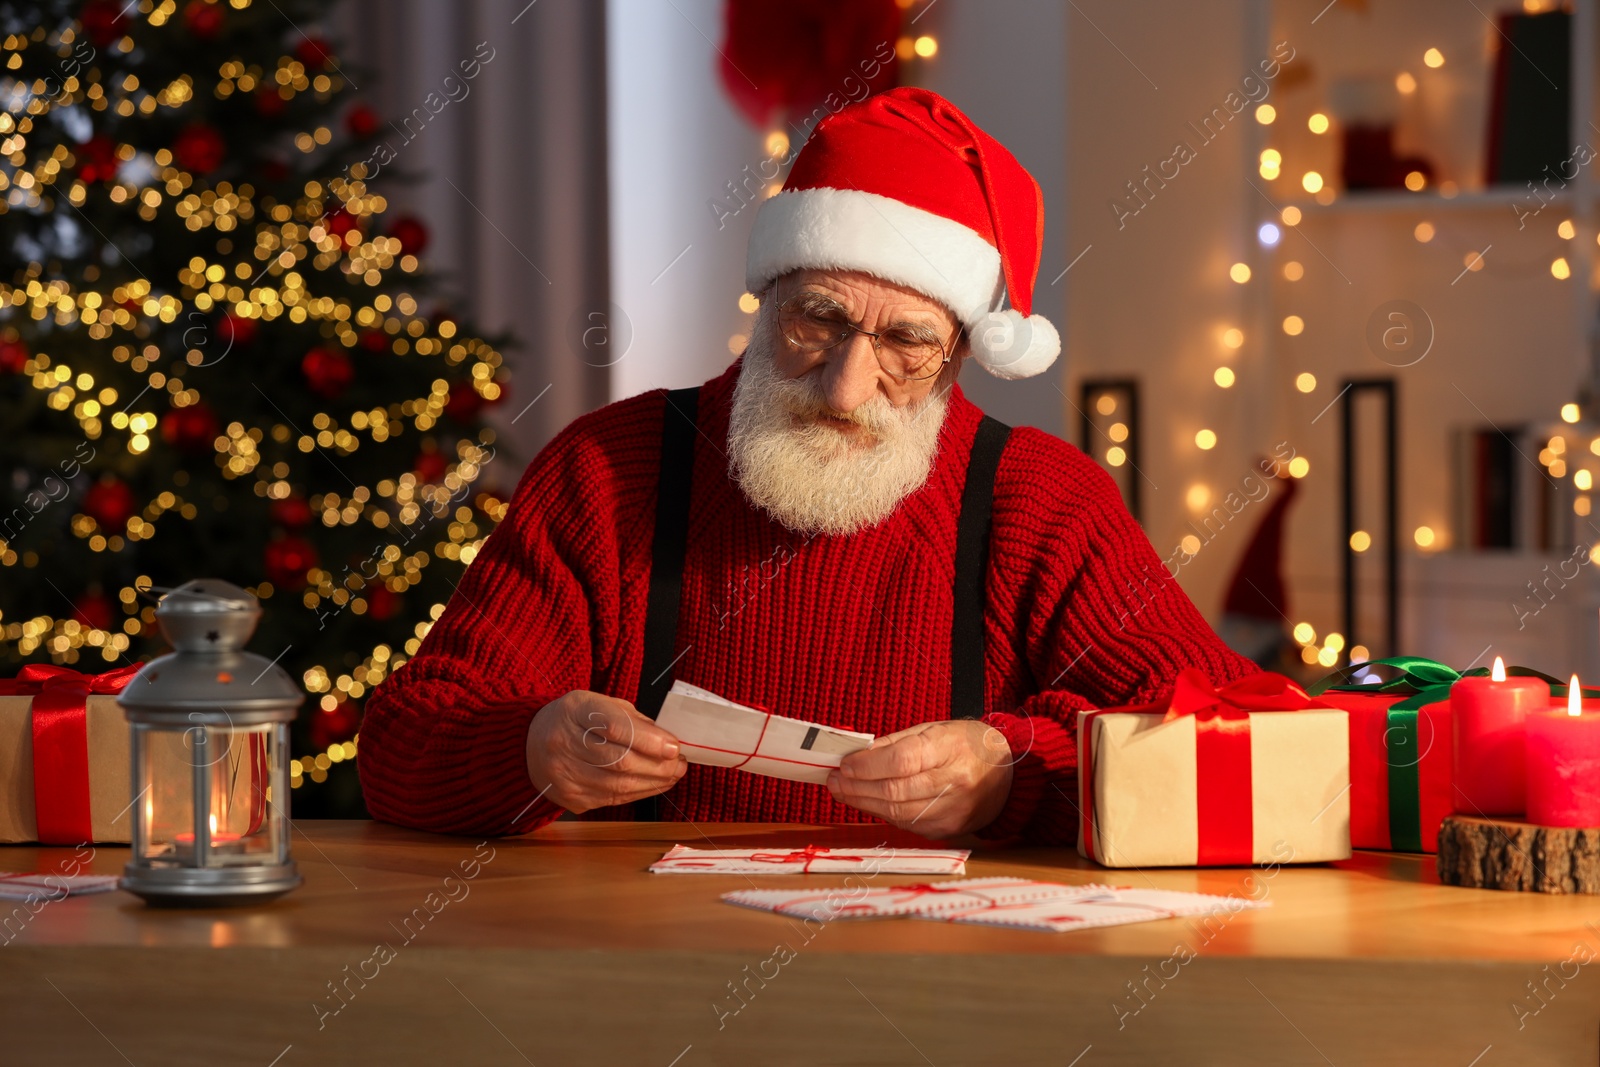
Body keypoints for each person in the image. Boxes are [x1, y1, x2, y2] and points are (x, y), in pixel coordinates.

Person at [360, 87, 1257, 844]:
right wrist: (527, 747)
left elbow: (1233, 734)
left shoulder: (1042, 503)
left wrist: (1013, 768)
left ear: (959, 357)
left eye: (905, 341)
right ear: (766, 297)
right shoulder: (605, 472)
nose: (843, 384)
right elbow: (399, 746)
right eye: (818, 319)